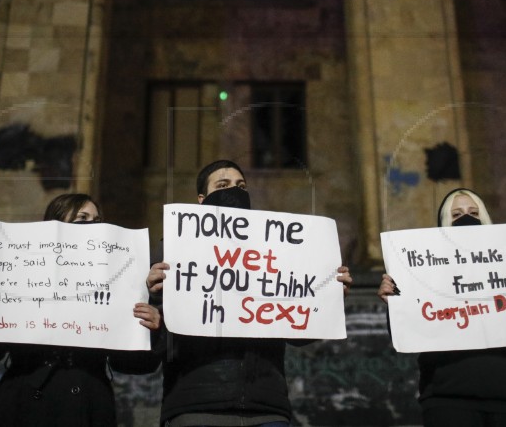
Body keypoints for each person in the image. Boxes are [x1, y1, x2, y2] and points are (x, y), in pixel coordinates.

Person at [0, 193, 161, 427]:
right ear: (54, 225)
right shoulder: (18, 270)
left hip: (87, 403)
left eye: (97, 220)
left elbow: (133, 364)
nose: (92, 225)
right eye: (82, 218)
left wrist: (149, 328)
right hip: (23, 403)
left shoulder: (118, 279)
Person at [147, 159, 353, 427]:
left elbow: (298, 335)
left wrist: (329, 298)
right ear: (201, 199)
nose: (233, 190)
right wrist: (155, 296)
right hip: (197, 405)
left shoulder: (276, 251)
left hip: (266, 407)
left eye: (240, 186)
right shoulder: (174, 251)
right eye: (222, 185)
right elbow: (156, 346)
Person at [378, 188, 506, 427]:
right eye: (457, 214)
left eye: (474, 212)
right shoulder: (426, 273)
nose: (467, 218)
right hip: (449, 400)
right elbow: (408, 336)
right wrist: (394, 303)